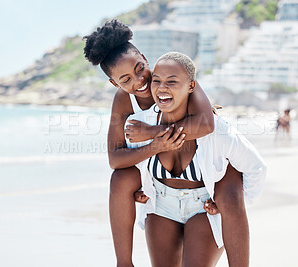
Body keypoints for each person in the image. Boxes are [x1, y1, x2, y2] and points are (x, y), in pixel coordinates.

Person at [83, 20, 257, 266]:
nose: (139, 80)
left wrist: (152, 131)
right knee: (120, 178)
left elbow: (206, 124)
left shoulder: (174, 78)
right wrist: (155, 145)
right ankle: (124, 262)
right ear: (115, 84)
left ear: (144, 57)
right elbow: (115, 158)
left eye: (140, 68)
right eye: (126, 79)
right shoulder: (124, 101)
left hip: (202, 194)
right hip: (161, 194)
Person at [125, 52, 266, 266]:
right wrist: (136, 189)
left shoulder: (217, 131)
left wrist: (231, 206)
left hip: (204, 208)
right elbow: (125, 164)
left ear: (191, 86)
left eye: (172, 82)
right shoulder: (140, 123)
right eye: (157, 81)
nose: (162, 88)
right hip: (161, 206)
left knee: (231, 184)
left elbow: (256, 168)